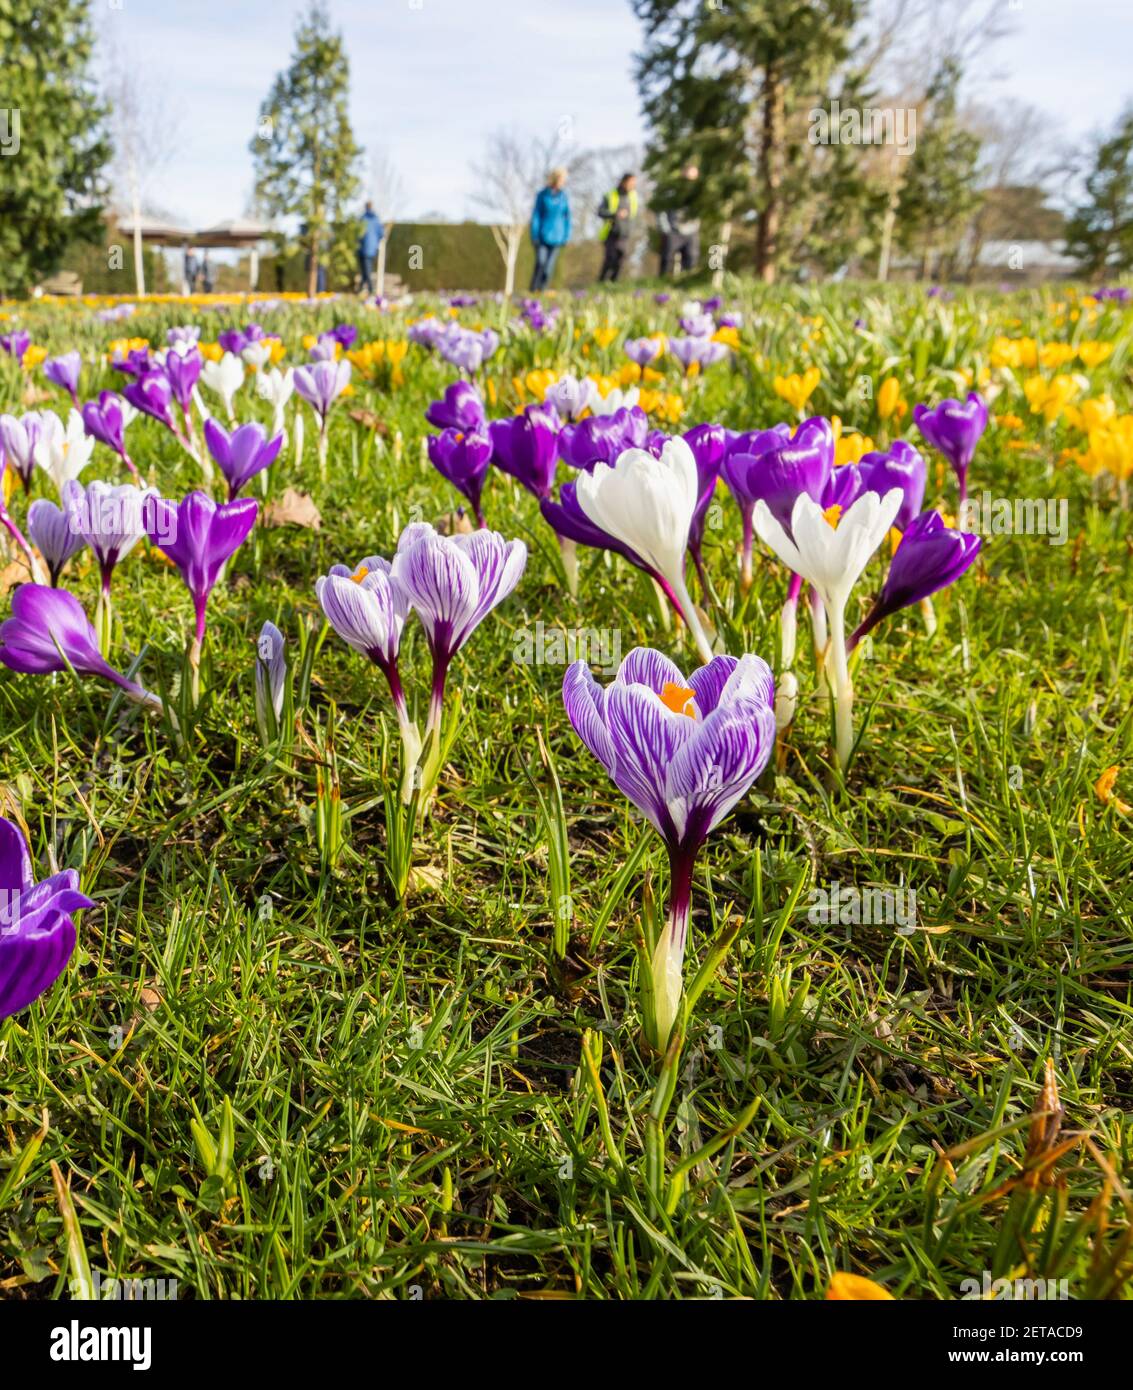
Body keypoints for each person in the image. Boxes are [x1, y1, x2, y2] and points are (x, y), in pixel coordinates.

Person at [529, 167, 571, 292]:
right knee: (541, 262)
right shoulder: (542, 195)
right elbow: (536, 215)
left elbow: (567, 218)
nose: (563, 182)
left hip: (558, 237)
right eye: (562, 179)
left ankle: (542, 289)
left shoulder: (564, 197)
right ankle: (533, 288)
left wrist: (566, 236)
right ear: (555, 179)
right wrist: (535, 234)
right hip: (542, 235)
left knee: (549, 266)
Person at [658, 163, 701, 276]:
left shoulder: (698, 194)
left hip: (691, 231)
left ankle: (685, 284)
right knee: (667, 260)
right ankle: (661, 285)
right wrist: (666, 229)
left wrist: (696, 226)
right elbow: (661, 210)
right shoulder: (671, 192)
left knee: (691, 260)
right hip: (673, 231)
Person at [597, 173, 638, 283]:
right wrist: (615, 214)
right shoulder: (610, 195)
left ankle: (613, 283)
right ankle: (601, 282)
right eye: (631, 182)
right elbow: (600, 212)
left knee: (620, 260)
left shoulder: (633, 196)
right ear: (624, 182)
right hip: (611, 232)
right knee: (610, 258)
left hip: (625, 234)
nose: (633, 185)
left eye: (634, 183)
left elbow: (634, 216)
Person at [357, 200, 384, 295]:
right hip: (372, 249)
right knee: (366, 269)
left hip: (363, 248)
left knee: (366, 270)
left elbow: (358, 234)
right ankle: (360, 288)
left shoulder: (362, 219)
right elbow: (381, 234)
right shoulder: (376, 219)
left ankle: (371, 290)